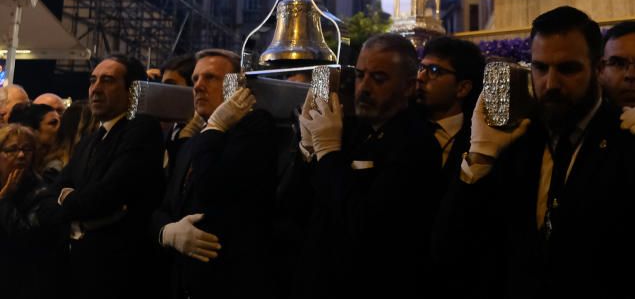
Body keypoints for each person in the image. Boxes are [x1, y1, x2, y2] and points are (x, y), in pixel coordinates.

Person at [434, 7, 635, 298]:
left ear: (598, 69)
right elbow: (454, 252)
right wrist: (481, 158)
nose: (551, 84)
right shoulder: (515, 145)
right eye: (541, 68)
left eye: (568, 69)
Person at [294, 33, 441, 297]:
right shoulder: (349, 129)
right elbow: (302, 208)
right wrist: (308, 150)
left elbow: (367, 228)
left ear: (408, 86)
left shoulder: (417, 144)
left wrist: (327, 153)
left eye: (379, 78)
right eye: (361, 75)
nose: (364, 87)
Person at [151, 49, 277, 299]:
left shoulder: (254, 128)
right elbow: (162, 207)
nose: (197, 86)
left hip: (226, 284)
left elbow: (212, 190)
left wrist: (215, 128)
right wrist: (166, 232)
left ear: (235, 86)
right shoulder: (195, 139)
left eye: (210, 78)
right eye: (195, 79)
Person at [38, 54, 165, 299]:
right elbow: (51, 195)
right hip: (82, 269)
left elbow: (106, 195)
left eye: (108, 81)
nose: (95, 89)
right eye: (93, 80)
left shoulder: (141, 129)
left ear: (133, 90)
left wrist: (67, 201)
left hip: (119, 274)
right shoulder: (90, 140)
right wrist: (73, 203)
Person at [0, 124, 65, 298]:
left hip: (24, 283)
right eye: (12, 150)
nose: (21, 155)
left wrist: (4, 201)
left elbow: (25, 237)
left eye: (27, 149)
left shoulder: (42, 191)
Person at [417, 36, 484, 175]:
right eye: (421, 67)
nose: (420, 77)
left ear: (462, 88)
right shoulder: (403, 124)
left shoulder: (478, 141)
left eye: (434, 70)